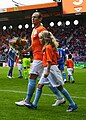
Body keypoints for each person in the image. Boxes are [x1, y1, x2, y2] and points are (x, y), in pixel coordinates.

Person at [15, 11, 65, 106]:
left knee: (32, 76)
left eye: (35, 17)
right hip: (38, 56)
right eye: (32, 17)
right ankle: (60, 98)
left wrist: (48, 52)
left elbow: (48, 41)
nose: (32, 19)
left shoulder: (42, 29)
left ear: (40, 19)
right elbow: (34, 45)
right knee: (48, 80)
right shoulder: (34, 29)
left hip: (40, 57)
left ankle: (27, 100)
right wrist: (25, 51)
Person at [25, 31, 78, 112]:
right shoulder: (50, 47)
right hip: (49, 68)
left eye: (40, 38)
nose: (39, 40)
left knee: (60, 87)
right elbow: (57, 57)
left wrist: (48, 70)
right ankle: (34, 105)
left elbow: (49, 60)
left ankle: (73, 104)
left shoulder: (48, 47)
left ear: (44, 38)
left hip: (50, 69)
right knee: (39, 85)